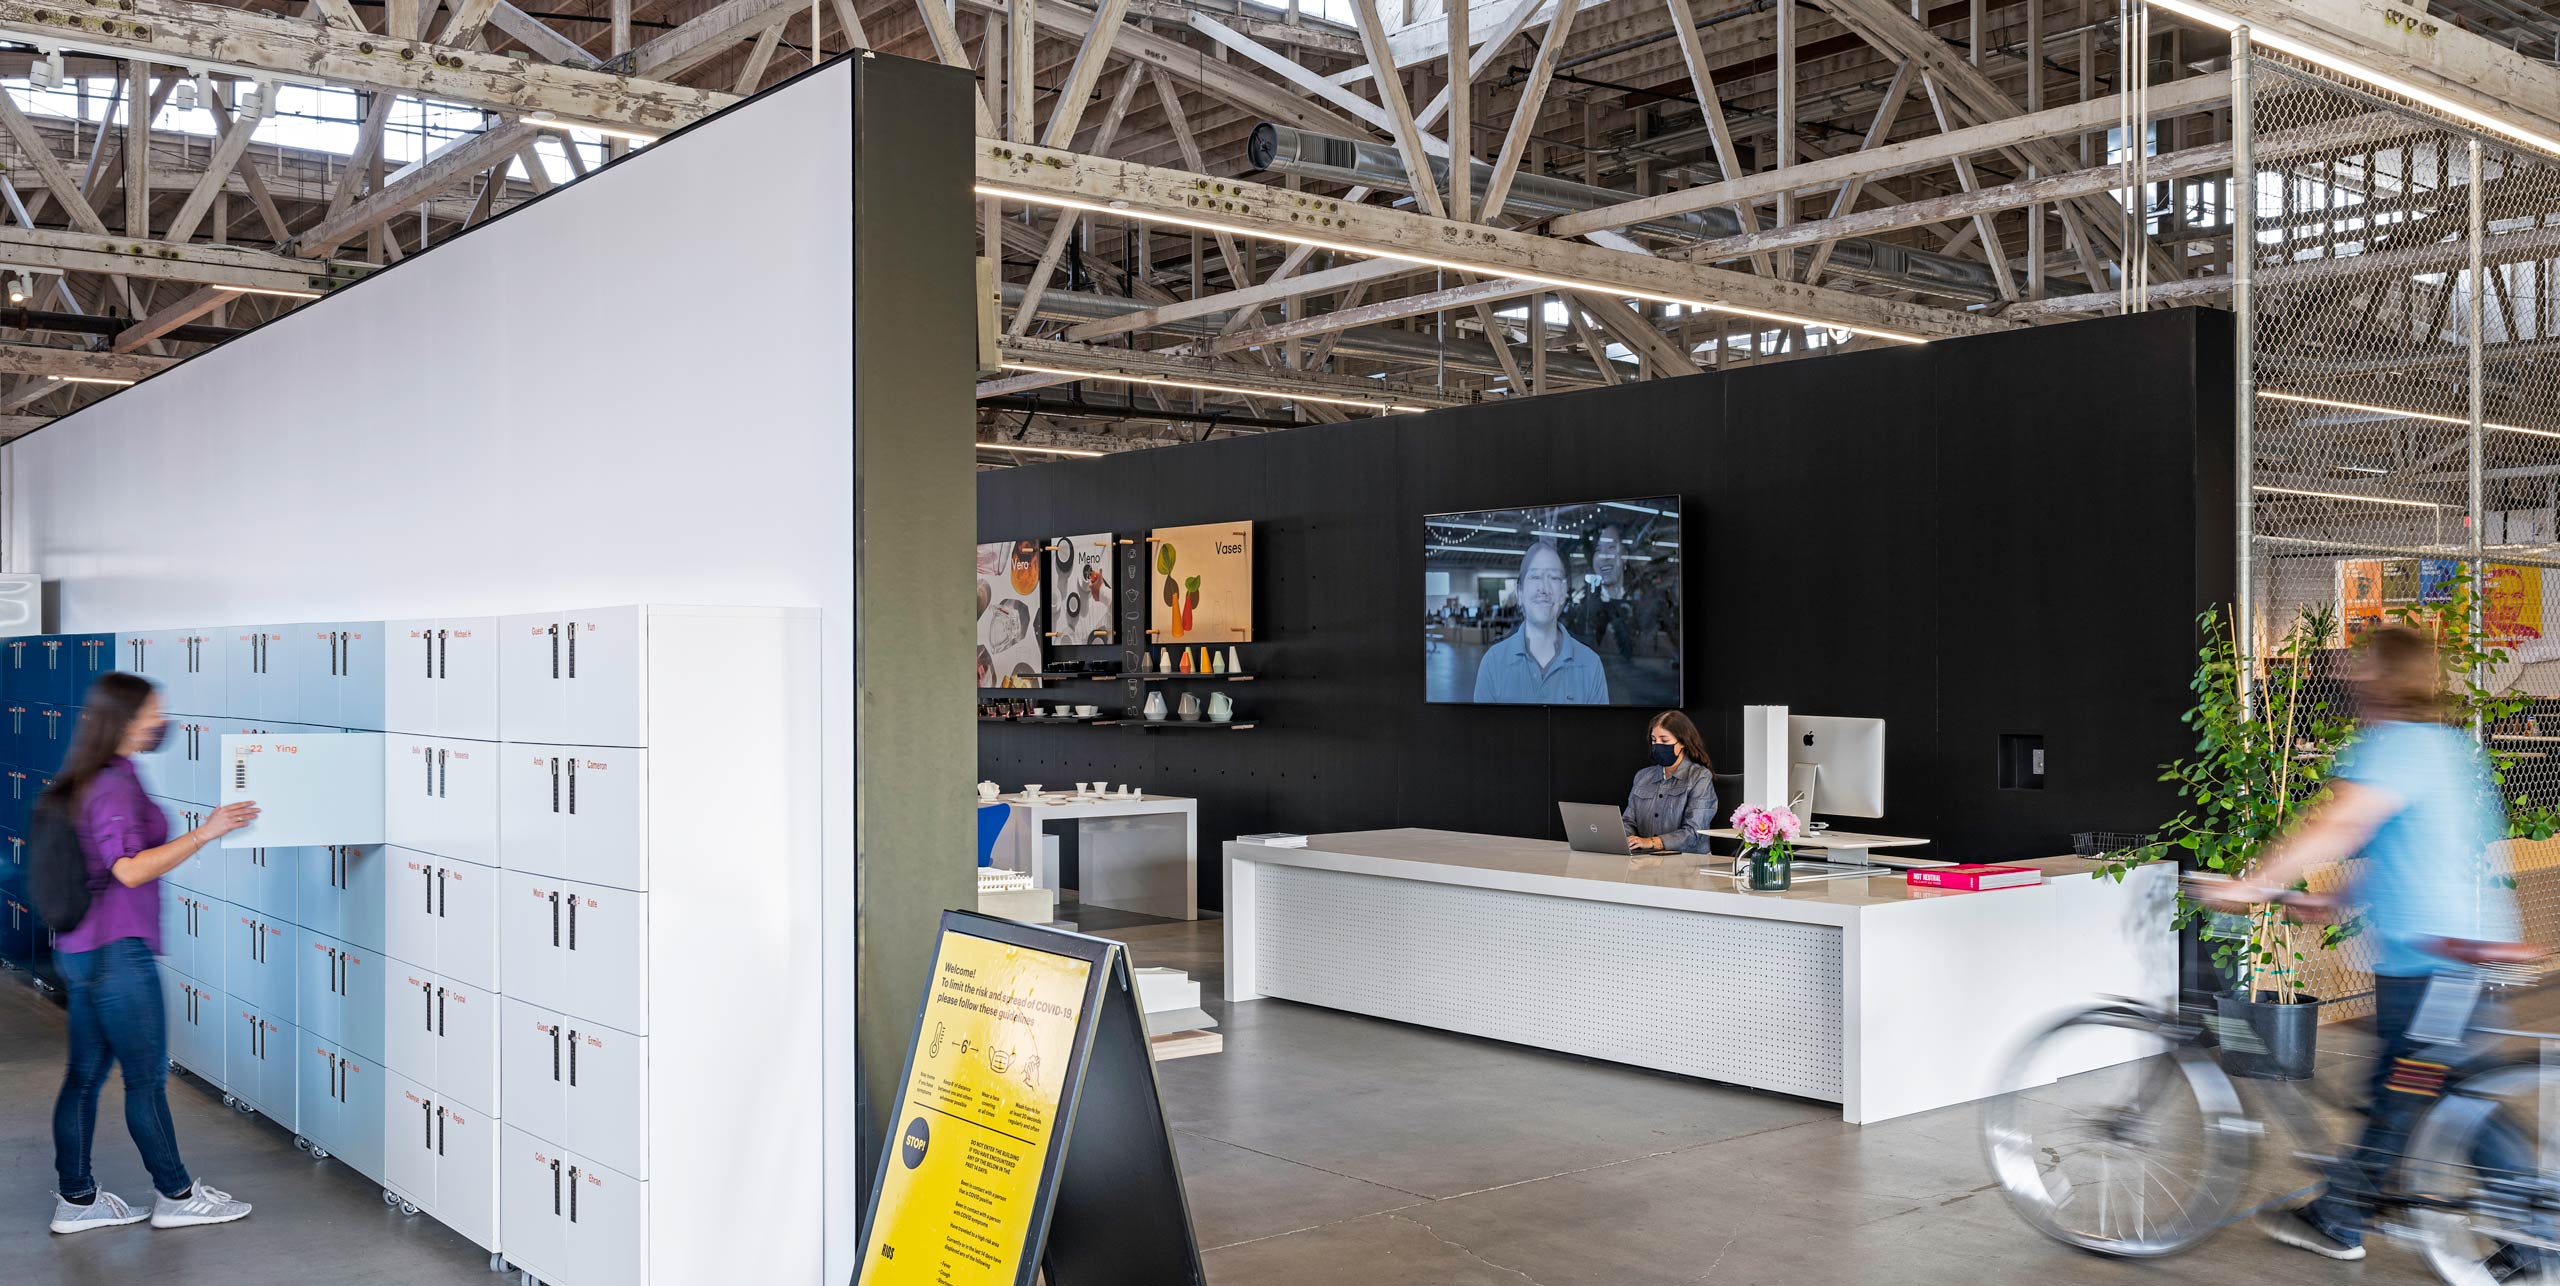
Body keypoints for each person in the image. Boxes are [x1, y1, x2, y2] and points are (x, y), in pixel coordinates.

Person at [2200, 625, 2536, 1263]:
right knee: (2433, 1087)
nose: (2352, 673)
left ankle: (2352, 1217)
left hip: (2432, 963)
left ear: (2385, 676)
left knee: (2413, 1091)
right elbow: (2405, 846)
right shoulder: (2448, 746)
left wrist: (2256, 884)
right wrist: (2332, 900)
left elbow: (2341, 822)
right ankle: (2348, 1212)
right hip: (2458, 954)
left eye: (2363, 662)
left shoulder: (2393, 747)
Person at [46, 672, 259, 1235]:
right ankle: (177, 1195)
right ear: (124, 720)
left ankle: (77, 1200)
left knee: (84, 1078)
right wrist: (205, 832)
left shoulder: (91, 774)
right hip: (117, 955)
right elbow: (130, 870)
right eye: (151, 714)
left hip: (80, 949)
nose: (161, 723)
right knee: (144, 1080)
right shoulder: (113, 783)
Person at [1472, 539, 1610, 704]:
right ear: (1520, 593)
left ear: (1562, 593)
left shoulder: (1590, 665)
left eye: (1553, 577)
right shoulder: (1492, 663)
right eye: (1535, 576)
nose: (1544, 588)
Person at [1624, 710, 1717, 854]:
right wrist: (1626, 839)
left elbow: (1694, 832)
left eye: (1664, 740)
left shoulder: (1700, 777)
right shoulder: (1642, 776)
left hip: (1689, 865)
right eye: (1654, 740)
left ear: (1683, 743)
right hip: (1645, 861)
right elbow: (1628, 821)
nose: (1657, 745)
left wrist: (1652, 842)